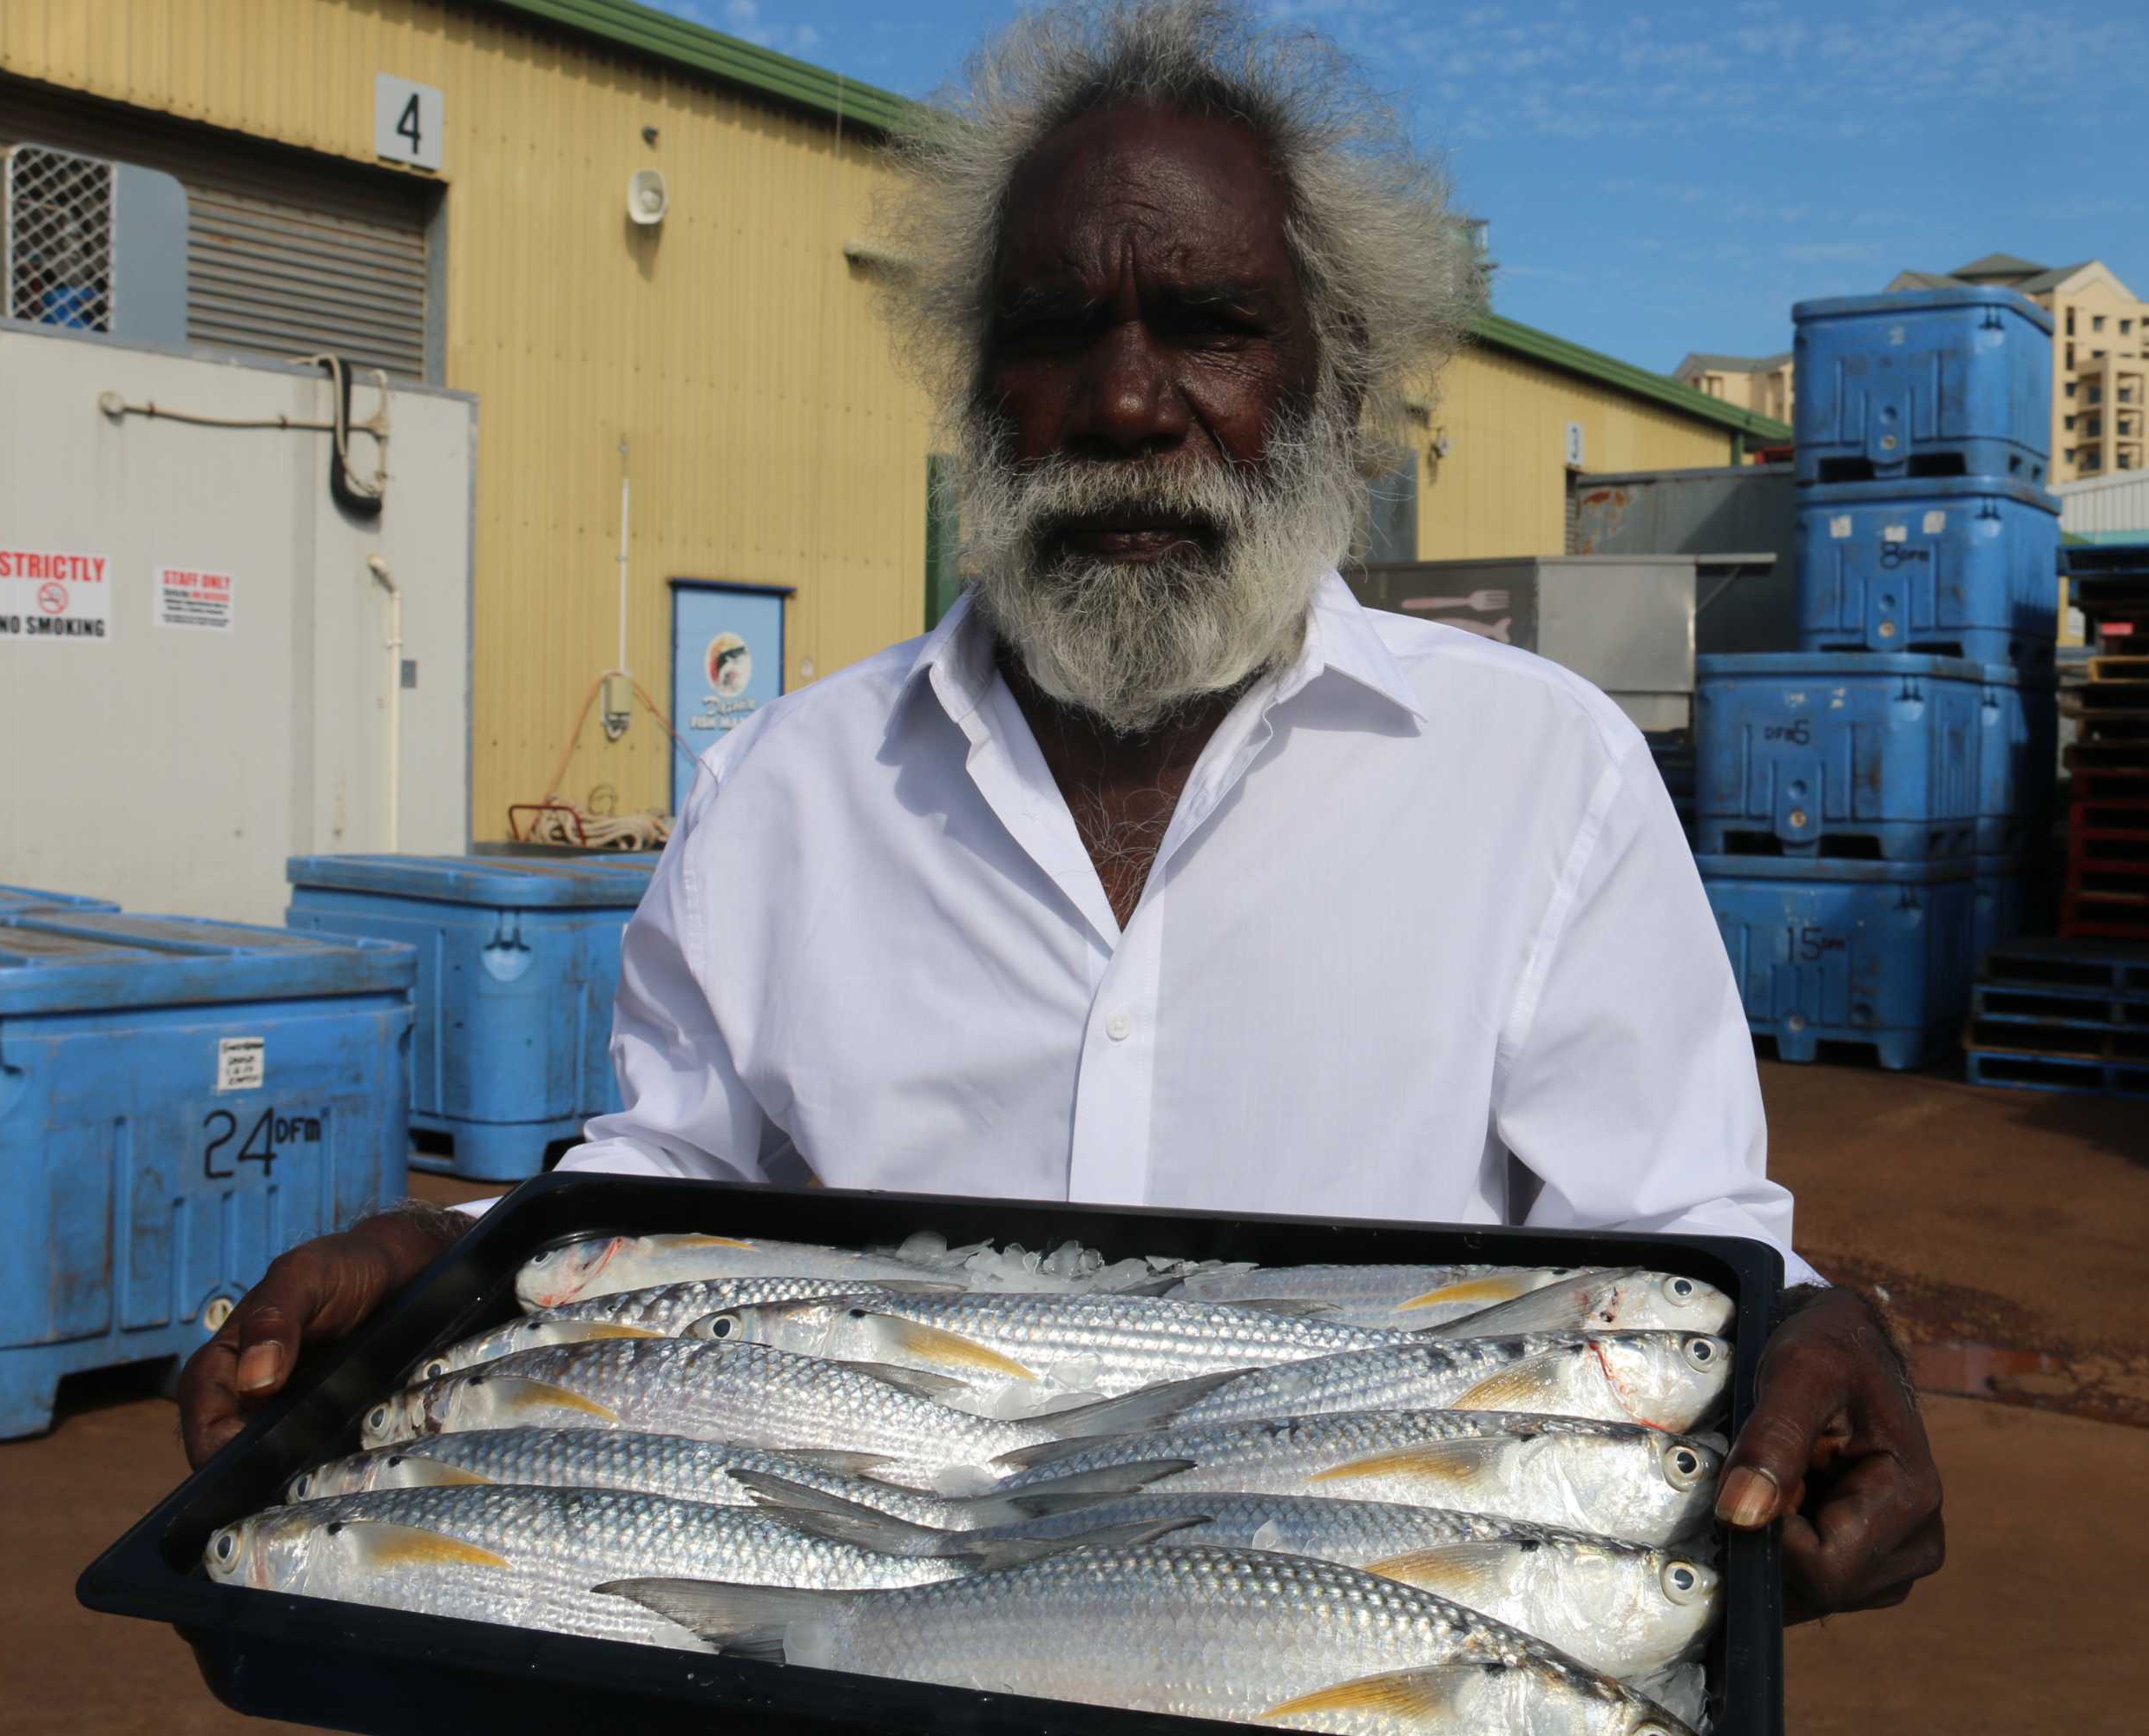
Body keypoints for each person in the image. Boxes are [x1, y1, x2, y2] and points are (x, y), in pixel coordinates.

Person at [181, 0, 1943, 1622]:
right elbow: (666, 1199)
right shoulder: (790, 791)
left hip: (1338, 1646)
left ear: (1333, 384)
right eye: (1053, 333)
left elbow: (1660, 1262)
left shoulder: (1535, 779)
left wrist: (1790, 1324)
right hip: (865, 1639)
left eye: (1209, 328)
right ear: (973, 384)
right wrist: (455, 1262)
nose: (1122, 402)